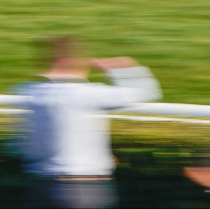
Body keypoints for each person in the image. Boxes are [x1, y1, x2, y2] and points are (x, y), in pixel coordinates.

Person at [14, 36, 163, 209]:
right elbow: (146, 91)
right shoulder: (87, 93)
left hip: (41, 187)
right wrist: (119, 67)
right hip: (84, 190)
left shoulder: (29, 92)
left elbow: (20, 145)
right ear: (66, 62)